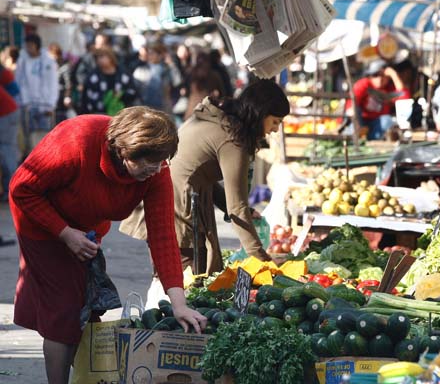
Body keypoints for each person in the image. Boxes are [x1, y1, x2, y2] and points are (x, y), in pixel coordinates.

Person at [9, 107, 206, 384]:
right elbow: (21, 188)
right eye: (149, 162)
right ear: (124, 150)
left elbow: (163, 236)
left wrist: (179, 304)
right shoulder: (76, 140)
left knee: (85, 308)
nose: (156, 169)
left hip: (86, 230)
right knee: (64, 310)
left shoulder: (156, 170)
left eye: (162, 162)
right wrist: (64, 233)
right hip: (42, 223)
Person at [120, 79, 289, 282]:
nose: (274, 130)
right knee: (183, 285)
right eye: (275, 122)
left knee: (171, 284)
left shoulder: (218, 119)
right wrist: (262, 260)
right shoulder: (233, 139)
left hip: (165, 200)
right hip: (175, 211)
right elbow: (238, 207)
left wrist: (229, 208)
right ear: (261, 113)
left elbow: (201, 176)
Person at [15, 34, 59, 149]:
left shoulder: (49, 61)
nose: (29, 48)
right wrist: (22, 101)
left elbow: (53, 84)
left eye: (31, 46)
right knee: (29, 137)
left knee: (45, 137)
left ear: (37, 46)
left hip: (45, 106)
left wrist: (51, 104)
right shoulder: (22, 61)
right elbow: (19, 82)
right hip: (28, 106)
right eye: (27, 46)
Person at [350, 60, 410, 140]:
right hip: (361, 121)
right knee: (354, 117)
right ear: (369, 76)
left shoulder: (389, 89)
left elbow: (404, 99)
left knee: (387, 120)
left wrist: (394, 75)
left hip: (377, 125)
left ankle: (372, 141)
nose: (380, 78)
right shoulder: (364, 84)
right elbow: (351, 105)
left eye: (383, 75)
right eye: (375, 75)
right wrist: (359, 126)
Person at [81, 47, 138, 115]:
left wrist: (121, 95)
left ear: (110, 57)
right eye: (97, 58)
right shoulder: (93, 76)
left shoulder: (123, 74)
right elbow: (87, 97)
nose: (99, 60)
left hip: (121, 115)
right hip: (99, 114)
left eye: (102, 56)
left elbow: (132, 92)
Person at [133, 42, 182, 113]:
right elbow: (136, 90)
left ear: (160, 55)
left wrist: (171, 64)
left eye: (152, 53)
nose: (150, 55)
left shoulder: (167, 69)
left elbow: (177, 82)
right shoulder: (141, 70)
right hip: (145, 108)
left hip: (163, 108)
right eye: (149, 53)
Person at [0, 62, 19, 198]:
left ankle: (12, 189)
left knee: (6, 150)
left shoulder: (4, 73)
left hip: (6, 114)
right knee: (7, 149)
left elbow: (15, 89)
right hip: (8, 112)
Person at [47, 43, 74, 123]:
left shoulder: (64, 68)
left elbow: (68, 84)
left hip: (61, 99)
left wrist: (67, 97)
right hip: (51, 99)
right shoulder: (48, 67)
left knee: (61, 120)